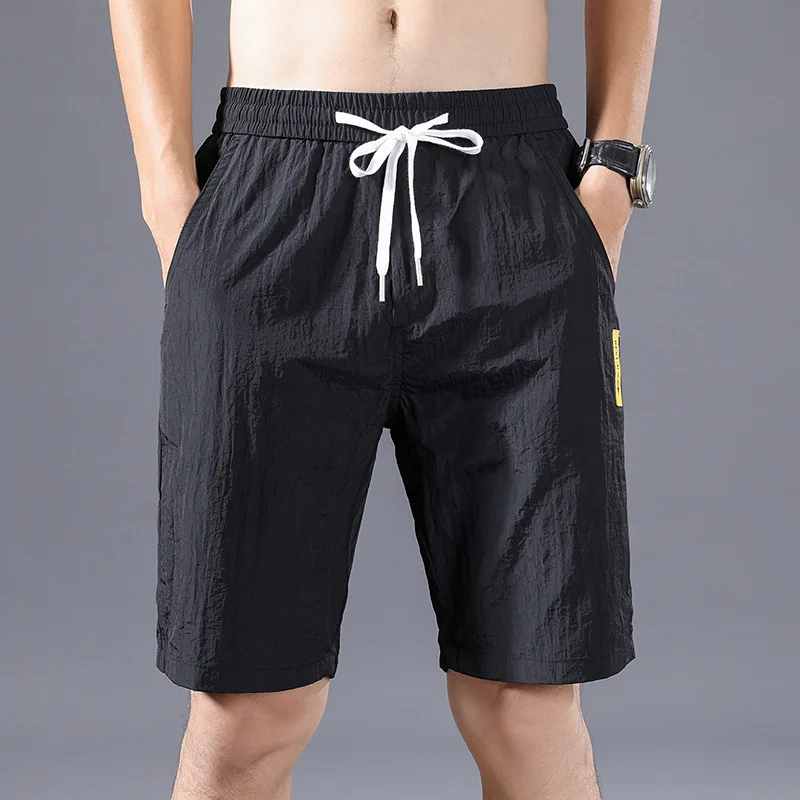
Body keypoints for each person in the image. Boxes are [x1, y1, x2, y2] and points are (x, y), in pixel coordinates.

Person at [109, 0, 660, 797]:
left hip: (509, 192)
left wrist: (612, 169)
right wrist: (166, 190)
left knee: (527, 708)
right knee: (245, 716)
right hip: (275, 190)